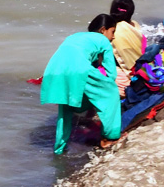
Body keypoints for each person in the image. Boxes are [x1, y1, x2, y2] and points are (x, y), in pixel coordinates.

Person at [40, 14, 122, 154]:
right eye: (113, 31)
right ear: (103, 30)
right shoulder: (103, 40)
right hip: (78, 68)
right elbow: (111, 75)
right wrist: (105, 87)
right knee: (111, 92)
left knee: (65, 108)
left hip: (55, 68)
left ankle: (59, 147)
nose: (113, 36)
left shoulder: (76, 36)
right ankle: (109, 138)